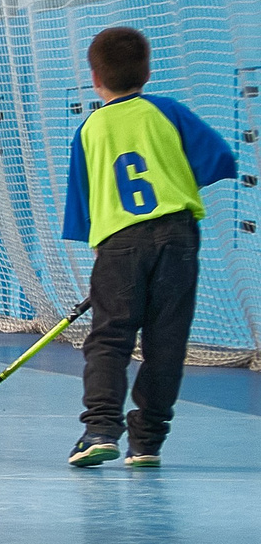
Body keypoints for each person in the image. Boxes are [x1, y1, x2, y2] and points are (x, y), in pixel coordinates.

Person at [60, 26, 238, 470]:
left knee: (109, 338)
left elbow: (83, 207)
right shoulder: (168, 111)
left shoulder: (89, 129)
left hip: (119, 244)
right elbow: (221, 159)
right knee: (167, 343)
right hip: (178, 238)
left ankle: (100, 429)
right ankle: (147, 443)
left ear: (95, 77)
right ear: (148, 70)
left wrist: (105, 248)